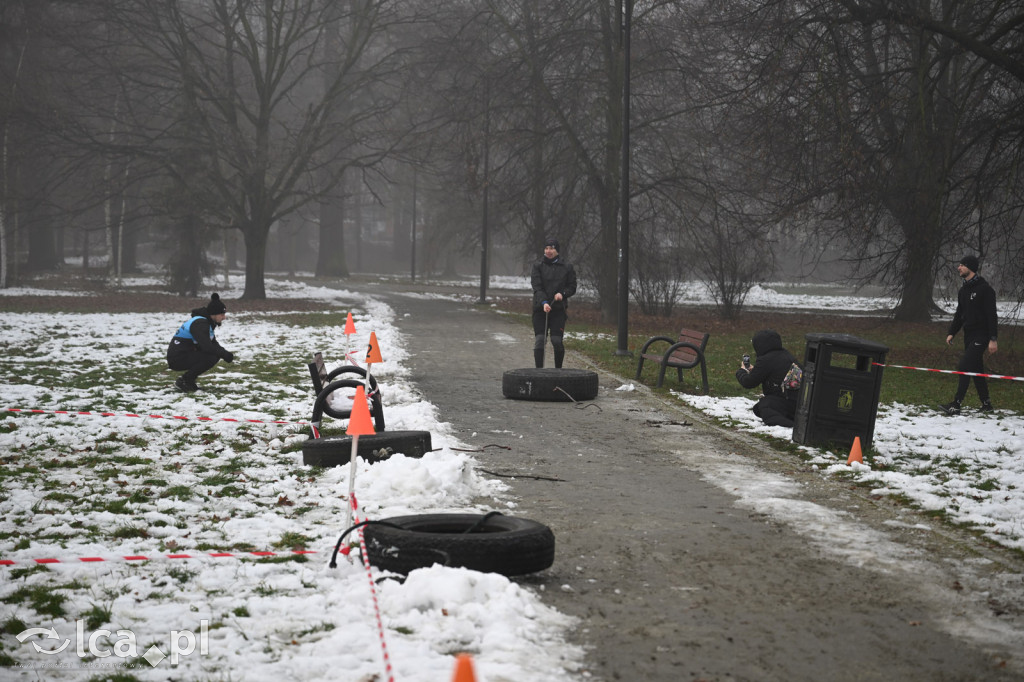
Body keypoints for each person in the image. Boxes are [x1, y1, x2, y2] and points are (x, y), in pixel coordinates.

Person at [940, 254, 997, 415]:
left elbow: (992, 315)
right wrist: (952, 332)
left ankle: (956, 404)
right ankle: (987, 404)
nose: (959, 267)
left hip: (982, 335)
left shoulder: (985, 290)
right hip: (969, 335)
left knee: (965, 366)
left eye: (962, 265)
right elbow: (959, 314)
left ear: (970, 268)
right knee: (976, 369)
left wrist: (993, 339)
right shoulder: (963, 290)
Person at [167, 292, 235, 392]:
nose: (224, 317)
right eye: (222, 314)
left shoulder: (206, 322)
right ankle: (185, 380)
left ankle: (188, 380)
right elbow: (207, 347)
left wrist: (225, 353)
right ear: (213, 314)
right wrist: (224, 354)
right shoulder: (200, 324)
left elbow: (213, 343)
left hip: (184, 354)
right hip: (177, 358)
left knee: (214, 355)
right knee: (211, 357)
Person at [735, 329, 800, 427]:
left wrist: (742, 371)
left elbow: (748, 382)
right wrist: (756, 370)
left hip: (789, 400)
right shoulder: (785, 354)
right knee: (758, 408)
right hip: (797, 401)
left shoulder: (766, 359)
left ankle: (792, 426)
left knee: (765, 405)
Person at [531, 237, 577, 368]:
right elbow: (537, 287)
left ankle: (558, 370)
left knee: (556, 341)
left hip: (558, 310)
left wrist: (562, 294)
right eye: (546, 248)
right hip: (541, 309)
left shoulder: (567, 267)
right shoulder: (537, 266)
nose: (548, 251)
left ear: (557, 250)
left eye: (551, 248)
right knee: (540, 340)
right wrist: (544, 302)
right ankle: (538, 371)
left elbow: (572, 287)